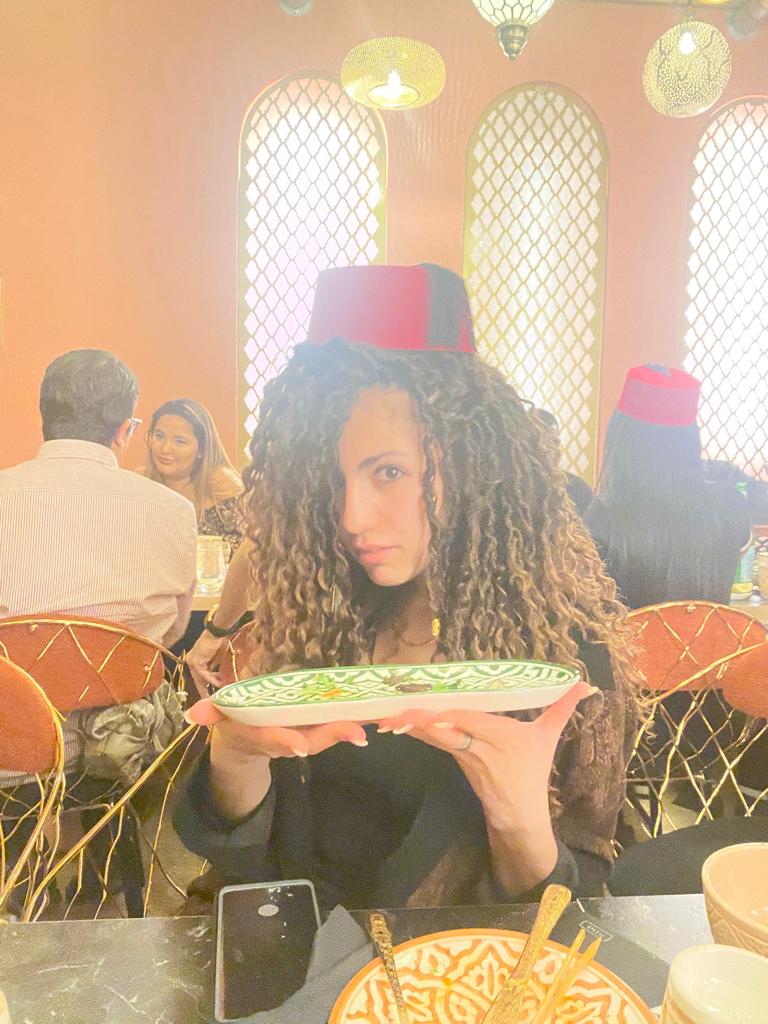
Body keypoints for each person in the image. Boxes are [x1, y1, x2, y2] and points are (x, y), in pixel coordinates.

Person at [176, 264, 638, 910]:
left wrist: (518, 818)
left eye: (389, 472)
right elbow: (248, 875)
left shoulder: (564, 663)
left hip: (452, 965)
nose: (351, 517)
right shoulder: (320, 611)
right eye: (332, 480)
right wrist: (236, 761)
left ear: (473, 463)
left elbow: (578, 911)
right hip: (295, 957)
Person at [0, 350, 197, 784]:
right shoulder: (173, 511)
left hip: (8, 754)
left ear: (45, 418)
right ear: (125, 431)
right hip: (119, 761)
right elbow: (173, 632)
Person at [585, 365, 751, 610]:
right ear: (691, 438)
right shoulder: (730, 503)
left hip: (629, 637)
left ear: (621, 437)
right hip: (715, 637)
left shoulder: (603, 518)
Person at [142, 398, 244, 553]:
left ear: (202, 449)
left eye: (180, 441)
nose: (165, 449)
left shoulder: (227, 493)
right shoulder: (137, 484)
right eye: (159, 436)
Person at [530, 407, 594, 516]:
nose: (546, 448)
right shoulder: (511, 492)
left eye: (552, 441)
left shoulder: (577, 489)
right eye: (541, 441)